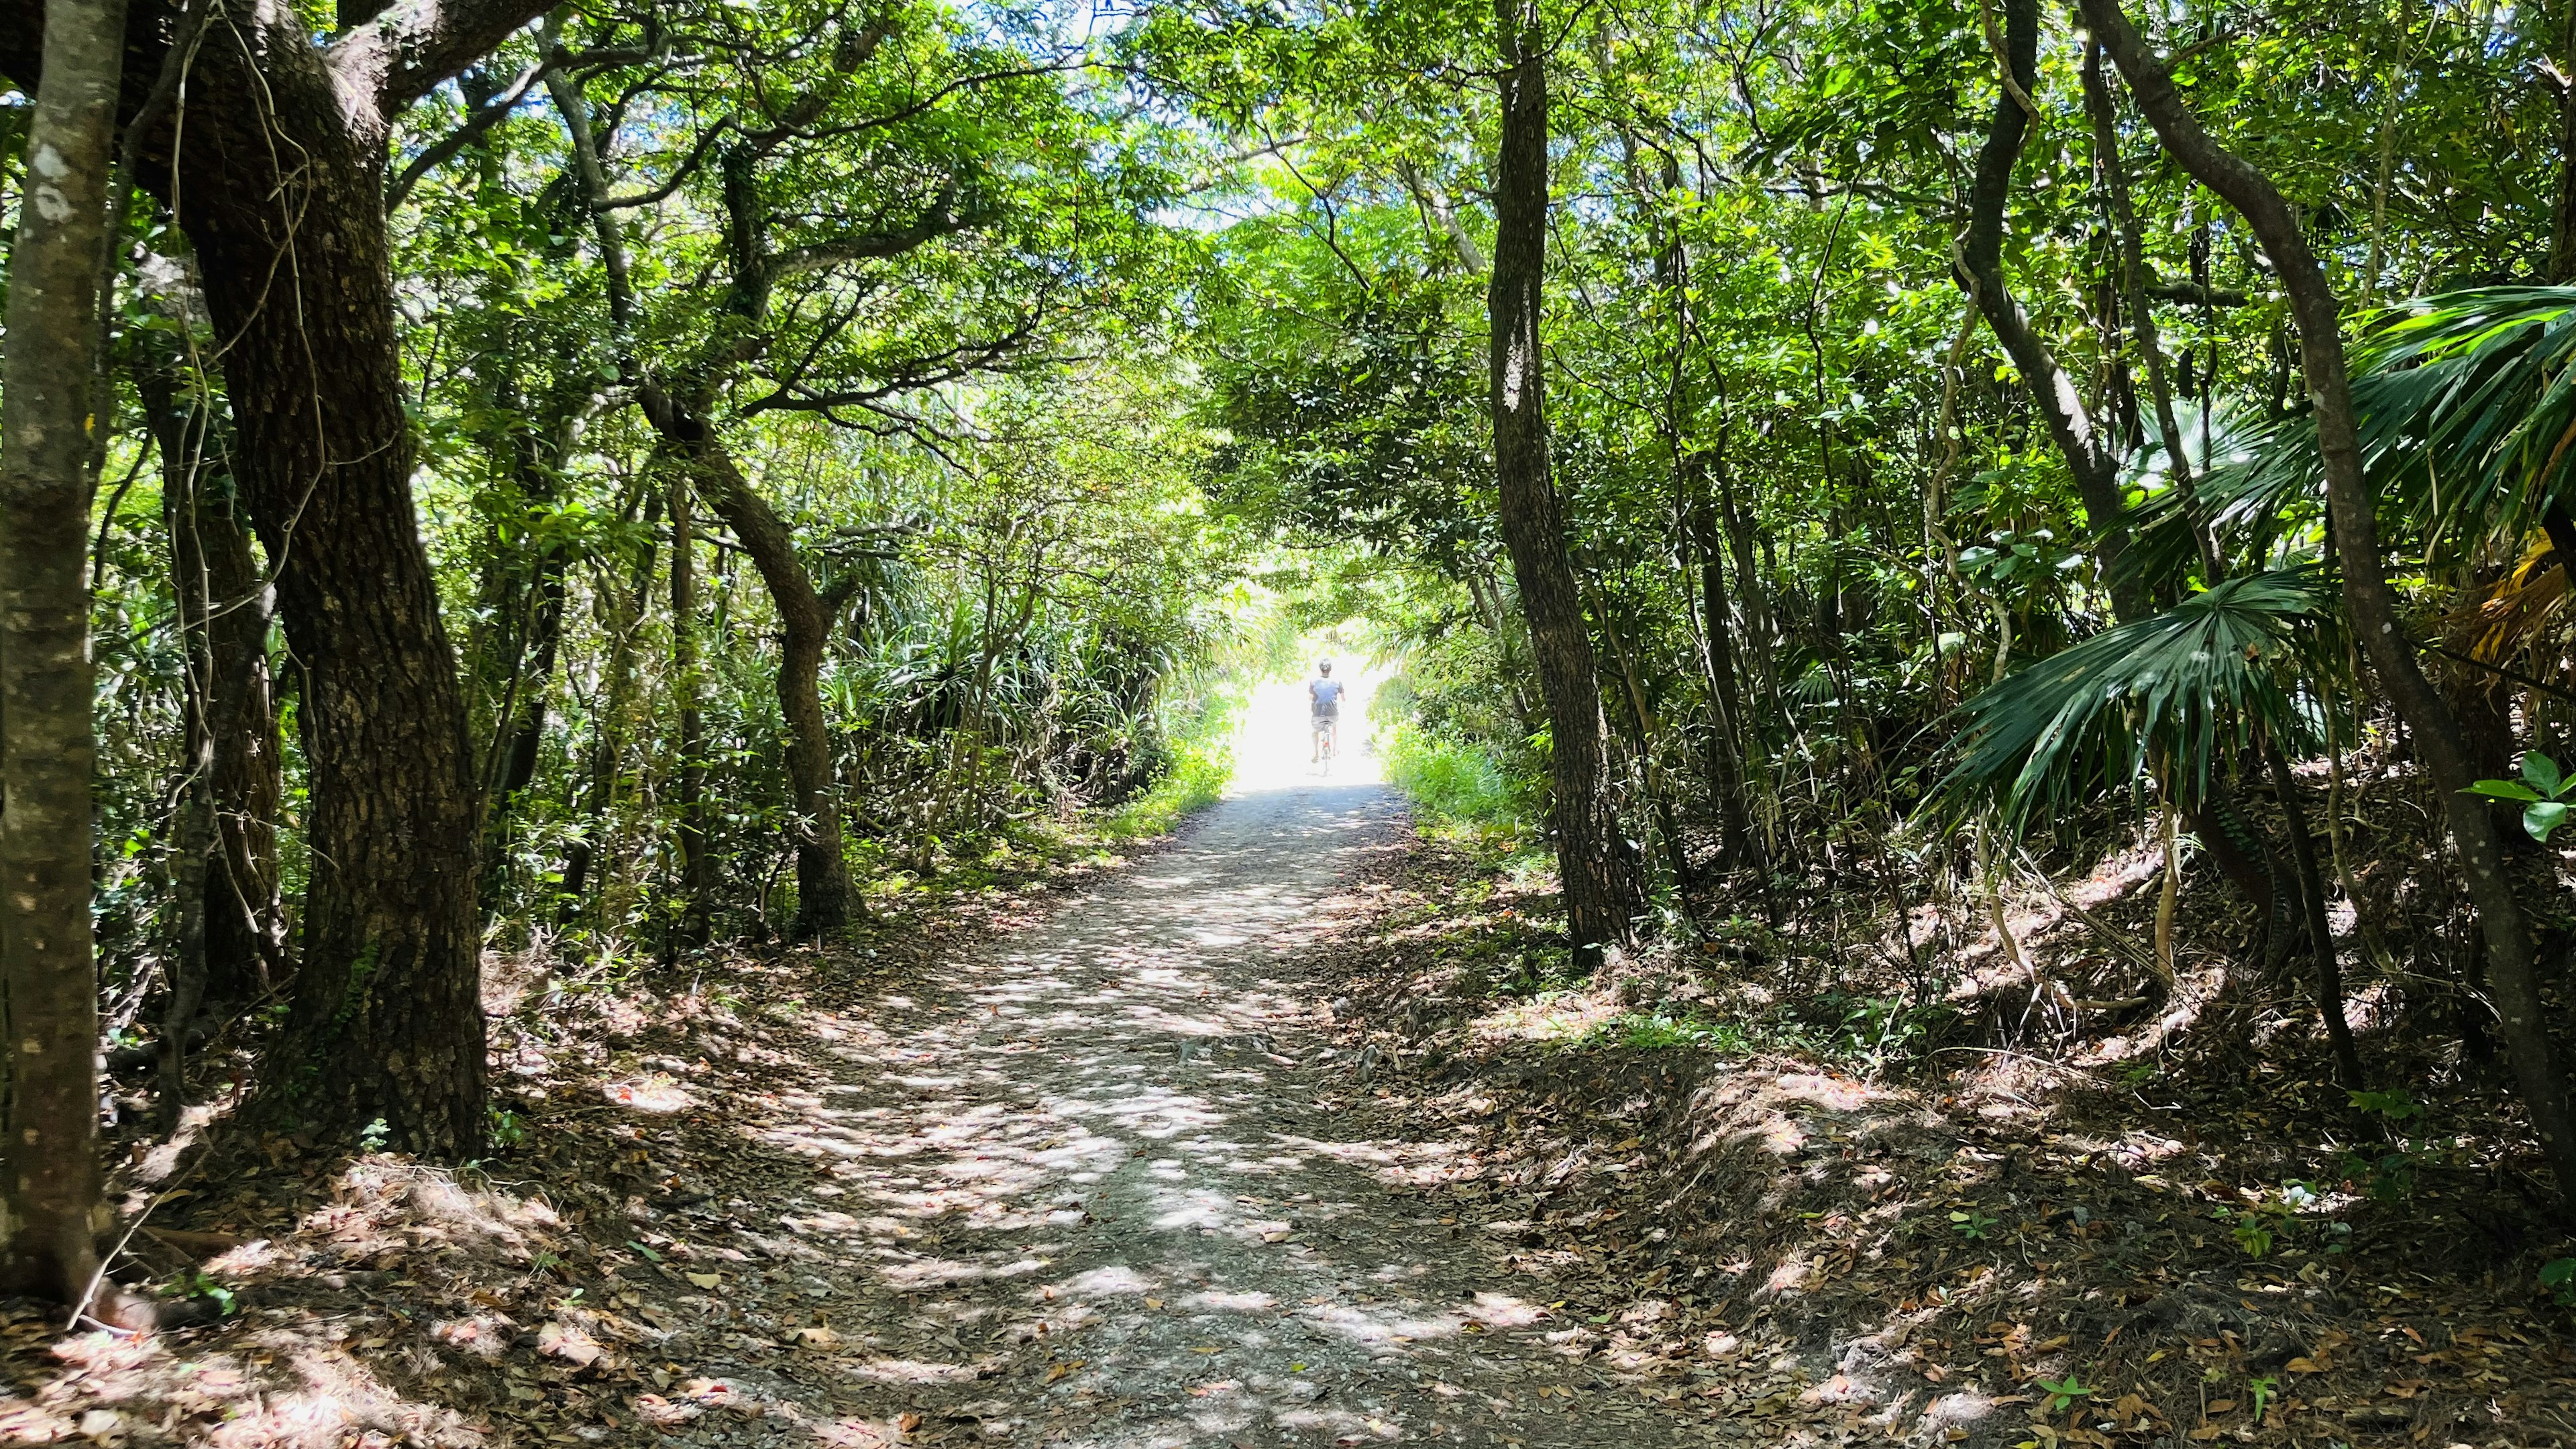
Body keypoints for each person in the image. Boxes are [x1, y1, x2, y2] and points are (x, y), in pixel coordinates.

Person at [1307, 661, 1345, 762]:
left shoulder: (1313, 682)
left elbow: (1311, 698)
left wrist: (1312, 706)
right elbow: (1343, 699)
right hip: (1332, 715)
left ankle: (1316, 753)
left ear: (1320, 670)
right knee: (1334, 728)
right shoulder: (1337, 682)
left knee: (1315, 731)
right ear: (1330, 670)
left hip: (1317, 715)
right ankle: (1335, 749)